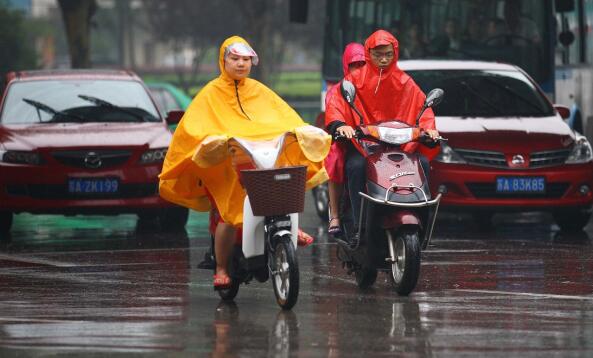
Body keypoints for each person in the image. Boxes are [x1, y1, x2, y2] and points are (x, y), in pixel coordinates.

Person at [159, 36, 330, 289]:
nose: (241, 64)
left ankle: (289, 228)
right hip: (225, 166)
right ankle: (220, 267)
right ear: (223, 60)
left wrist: (301, 130)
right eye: (235, 58)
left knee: (284, 174)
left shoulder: (259, 91)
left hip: (261, 158)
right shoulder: (210, 94)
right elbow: (193, 128)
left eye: (246, 59)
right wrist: (214, 141)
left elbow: (284, 117)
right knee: (229, 209)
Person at [325, 29, 440, 238]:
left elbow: (423, 108)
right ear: (368, 53)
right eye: (378, 55)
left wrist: (430, 130)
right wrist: (340, 124)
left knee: (421, 162)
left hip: (400, 146)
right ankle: (359, 226)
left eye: (388, 54)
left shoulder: (405, 81)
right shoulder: (353, 80)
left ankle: (422, 220)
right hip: (365, 146)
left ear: (395, 53)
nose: (384, 59)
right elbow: (336, 104)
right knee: (356, 165)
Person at [325, 42, 365, 235]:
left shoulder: (377, 87)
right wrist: (341, 126)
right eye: (354, 65)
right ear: (345, 66)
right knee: (335, 159)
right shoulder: (336, 91)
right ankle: (335, 214)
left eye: (362, 64)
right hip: (349, 144)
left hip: (377, 143)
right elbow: (333, 113)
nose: (358, 69)